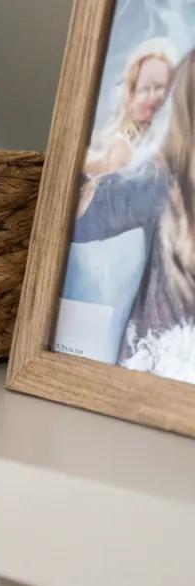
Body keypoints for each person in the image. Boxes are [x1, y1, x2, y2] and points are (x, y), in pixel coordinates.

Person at [72, 48, 195, 365]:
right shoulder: (152, 175)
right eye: (145, 89)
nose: (153, 98)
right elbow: (82, 215)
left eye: (160, 90)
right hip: (156, 358)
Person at [84, 37, 177, 178]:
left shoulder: (178, 141)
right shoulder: (121, 144)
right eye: (144, 90)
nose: (152, 97)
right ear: (131, 96)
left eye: (160, 87)